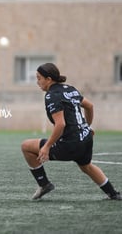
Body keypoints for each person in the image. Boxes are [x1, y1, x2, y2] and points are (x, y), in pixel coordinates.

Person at [21, 63, 121, 200]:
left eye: (39, 78)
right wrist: (86, 126)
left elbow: (60, 124)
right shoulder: (70, 89)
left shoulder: (52, 96)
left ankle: (44, 184)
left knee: (26, 146)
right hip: (86, 139)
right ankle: (113, 193)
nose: (37, 82)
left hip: (70, 144)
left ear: (49, 79)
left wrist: (47, 146)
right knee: (86, 166)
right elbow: (89, 106)